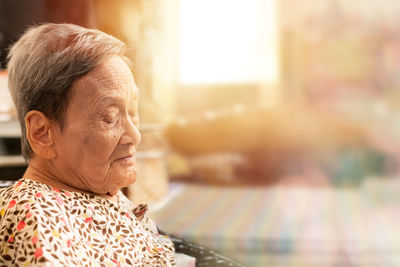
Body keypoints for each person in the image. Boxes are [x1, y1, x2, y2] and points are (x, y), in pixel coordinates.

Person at [0, 23, 181, 266]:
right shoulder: (38, 216)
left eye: (132, 111)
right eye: (109, 117)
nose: (134, 136)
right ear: (42, 133)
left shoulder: (97, 191)